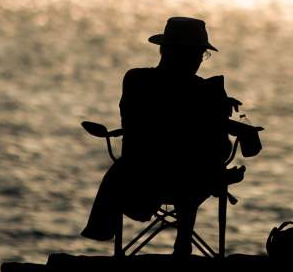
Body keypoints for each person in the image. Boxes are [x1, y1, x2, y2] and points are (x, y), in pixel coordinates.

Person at [82, 16, 259, 256]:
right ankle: (184, 239)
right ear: (180, 53)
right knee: (193, 162)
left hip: (140, 175)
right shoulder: (205, 91)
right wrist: (233, 125)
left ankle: (114, 232)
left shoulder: (136, 80)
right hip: (184, 177)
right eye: (199, 54)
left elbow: (167, 112)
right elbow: (179, 113)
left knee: (187, 160)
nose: (200, 60)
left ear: (164, 49)